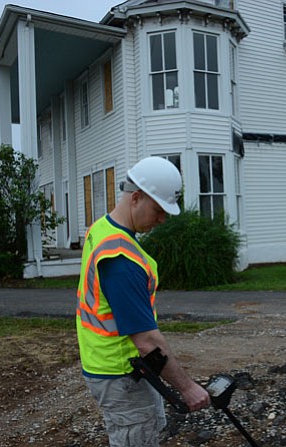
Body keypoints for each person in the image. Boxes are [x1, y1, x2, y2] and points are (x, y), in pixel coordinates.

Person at [76, 156, 210, 447]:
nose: (162, 219)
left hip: (108, 366)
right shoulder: (121, 260)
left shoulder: (101, 229)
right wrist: (187, 388)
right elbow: (147, 341)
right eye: (158, 210)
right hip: (122, 374)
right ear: (136, 198)